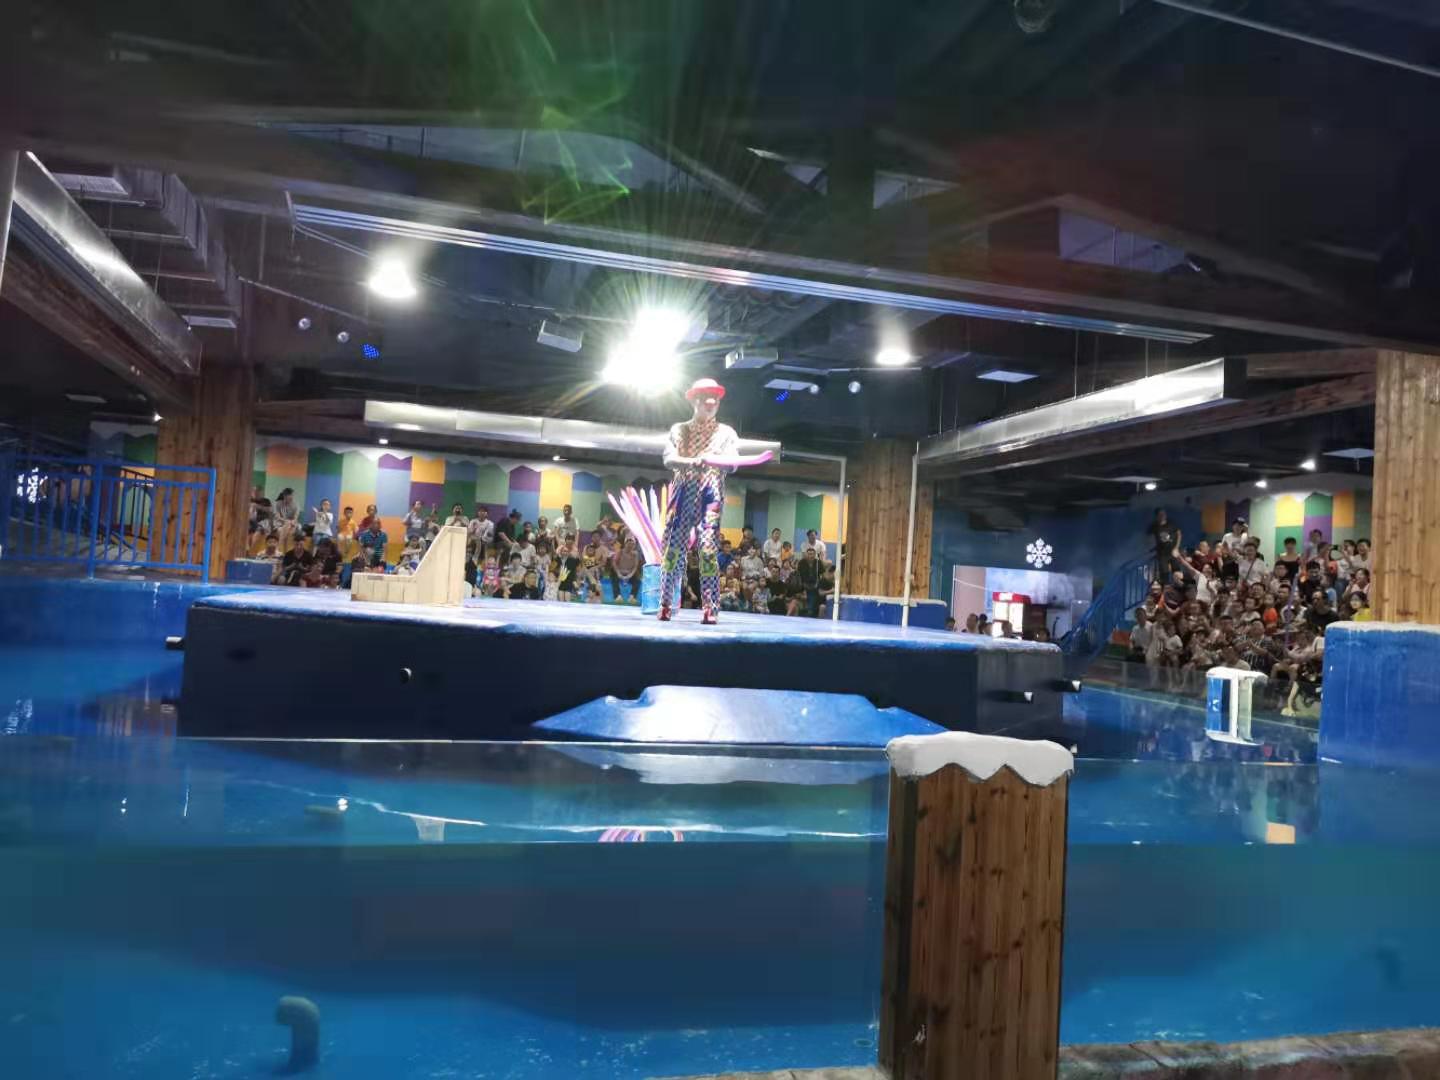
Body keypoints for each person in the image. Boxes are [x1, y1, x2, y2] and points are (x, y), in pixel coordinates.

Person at [657, 378, 744, 624]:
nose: (711, 402)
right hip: (683, 491)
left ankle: (710, 607)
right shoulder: (679, 429)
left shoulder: (726, 433)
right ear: (694, 400)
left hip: (710, 493)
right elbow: (668, 458)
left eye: (715, 399)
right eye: (706, 397)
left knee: (707, 550)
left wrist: (715, 459)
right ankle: (665, 604)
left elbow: (734, 463)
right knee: (673, 551)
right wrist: (691, 461)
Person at [1147, 509, 1181, 578]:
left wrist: (1176, 548)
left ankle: (1178, 584)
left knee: (1177, 573)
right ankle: (1165, 583)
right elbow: (1149, 537)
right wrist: (1152, 548)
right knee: (1164, 574)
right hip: (1162, 554)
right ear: (1157, 516)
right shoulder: (1154, 526)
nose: (1162, 516)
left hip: (1173, 552)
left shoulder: (1171, 523)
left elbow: (1179, 534)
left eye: (1163, 514)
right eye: (1160, 514)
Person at [795, 545, 822, 617]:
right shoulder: (801, 562)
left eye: (812, 554)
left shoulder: (818, 562)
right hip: (803, 585)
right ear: (806, 555)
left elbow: (822, 574)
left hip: (815, 585)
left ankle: (810, 612)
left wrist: (818, 583)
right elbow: (798, 575)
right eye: (809, 554)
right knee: (810, 595)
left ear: (815, 555)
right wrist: (802, 586)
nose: (811, 556)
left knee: (813, 594)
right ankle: (809, 612)